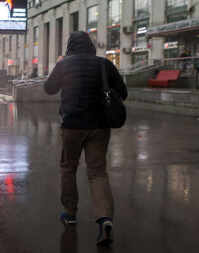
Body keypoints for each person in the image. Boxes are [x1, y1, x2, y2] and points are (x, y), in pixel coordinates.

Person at [44, 31, 127, 246]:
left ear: (69, 46)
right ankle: (105, 218)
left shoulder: (64, 64)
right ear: (90, 46)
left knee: (68, 168)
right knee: (97, 172)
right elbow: (122, 91)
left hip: (72, 125)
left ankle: (69, 212)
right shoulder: (104, 64)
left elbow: (49, 88)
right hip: (99, 127)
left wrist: (58, 64)